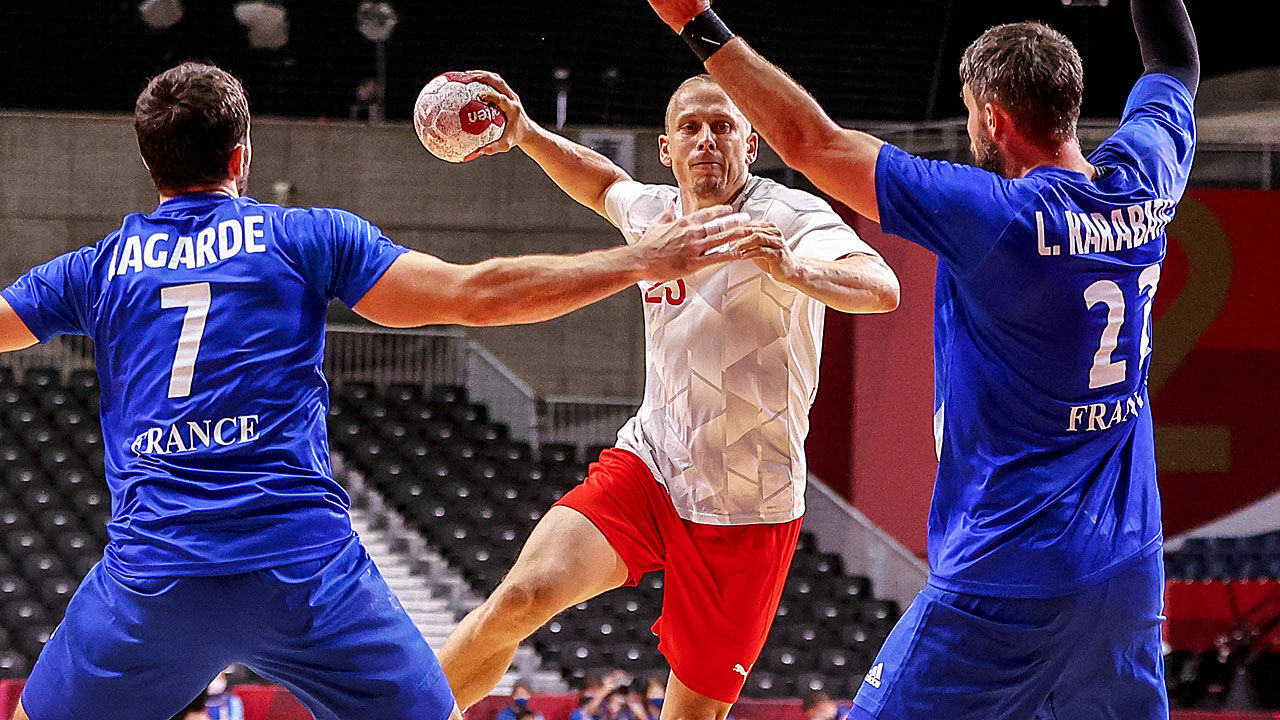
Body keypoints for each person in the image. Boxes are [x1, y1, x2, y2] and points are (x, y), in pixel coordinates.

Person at [0, 61, 756, 720]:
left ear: (151, 166)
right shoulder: (303, 237)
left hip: (154, 577)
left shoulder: (97, 269)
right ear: (242, 156)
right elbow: (476, 296)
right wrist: (637, 260)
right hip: (302, 573)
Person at [643, 0, 1198, 719]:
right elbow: (1175, 64)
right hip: (1126, 574)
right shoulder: (1144, 181)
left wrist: (696, 20)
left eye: (969, 112)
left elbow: (813, 144)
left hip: (1004, 575)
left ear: (994, 120)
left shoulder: (997, 216)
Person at [437, 69, 900, 720]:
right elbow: (605, 186)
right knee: (519, 599)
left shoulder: (791, 218)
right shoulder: (655, 214)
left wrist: (794, 268)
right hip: (650, 470)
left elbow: (881, 287)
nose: (706, 140)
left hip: (748, 509)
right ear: (666, 148)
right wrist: (528, 134)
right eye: (690, 128)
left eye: (722, 127)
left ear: (750, 143)